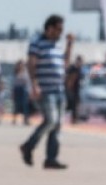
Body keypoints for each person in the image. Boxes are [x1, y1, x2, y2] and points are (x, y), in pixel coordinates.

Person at [19, 16, 73, 169]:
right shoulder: (37, 43)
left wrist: (69, 45)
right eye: (58, 29)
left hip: (59, 89)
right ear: (49, 28)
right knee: (51, 120)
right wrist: (34, 84)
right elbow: (31, 64)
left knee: (57, 125)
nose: (60, 33)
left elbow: (65, 64)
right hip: (45, 90)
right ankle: (28, 145)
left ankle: (51, 158)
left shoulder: (57, 45)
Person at [11, 60, 33, 125]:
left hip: (24, 90)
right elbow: (14, 83)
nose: (21, 66)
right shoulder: (16, 72)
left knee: (25, 105)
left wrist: (30, 91)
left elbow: (28, 82)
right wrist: (13, 92)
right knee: (16, 105)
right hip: (17, 89)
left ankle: (26, 119)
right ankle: (14, 119)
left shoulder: (26, 72)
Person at [64, 55, 84, 123]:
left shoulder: (77, 69)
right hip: (73, 89)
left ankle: (75, 118)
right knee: (74, 104)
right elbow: (71, 79)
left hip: (75, 89)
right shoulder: (74, 69)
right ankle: (74, 119)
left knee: (75, 104)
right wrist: (69, 88)